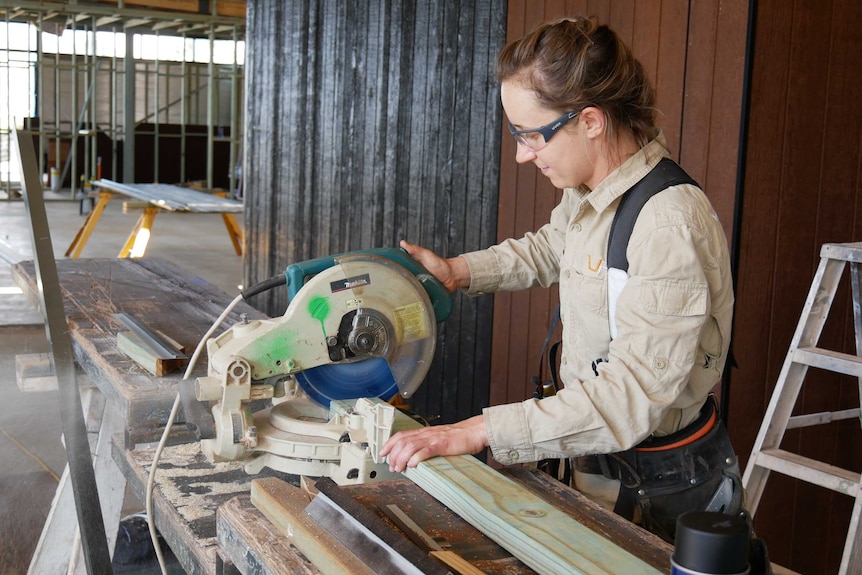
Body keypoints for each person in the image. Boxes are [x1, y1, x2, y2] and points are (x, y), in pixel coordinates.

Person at [380, 16, 744, 543]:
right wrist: (460, 272)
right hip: (594, 457)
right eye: (515, 133)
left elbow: (629, 399)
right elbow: (556, 246)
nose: (522, 154)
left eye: (533, 135)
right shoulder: (593, 188)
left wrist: (478, 431)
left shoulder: (669, 225)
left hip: (666, 483)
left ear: (591, 121)